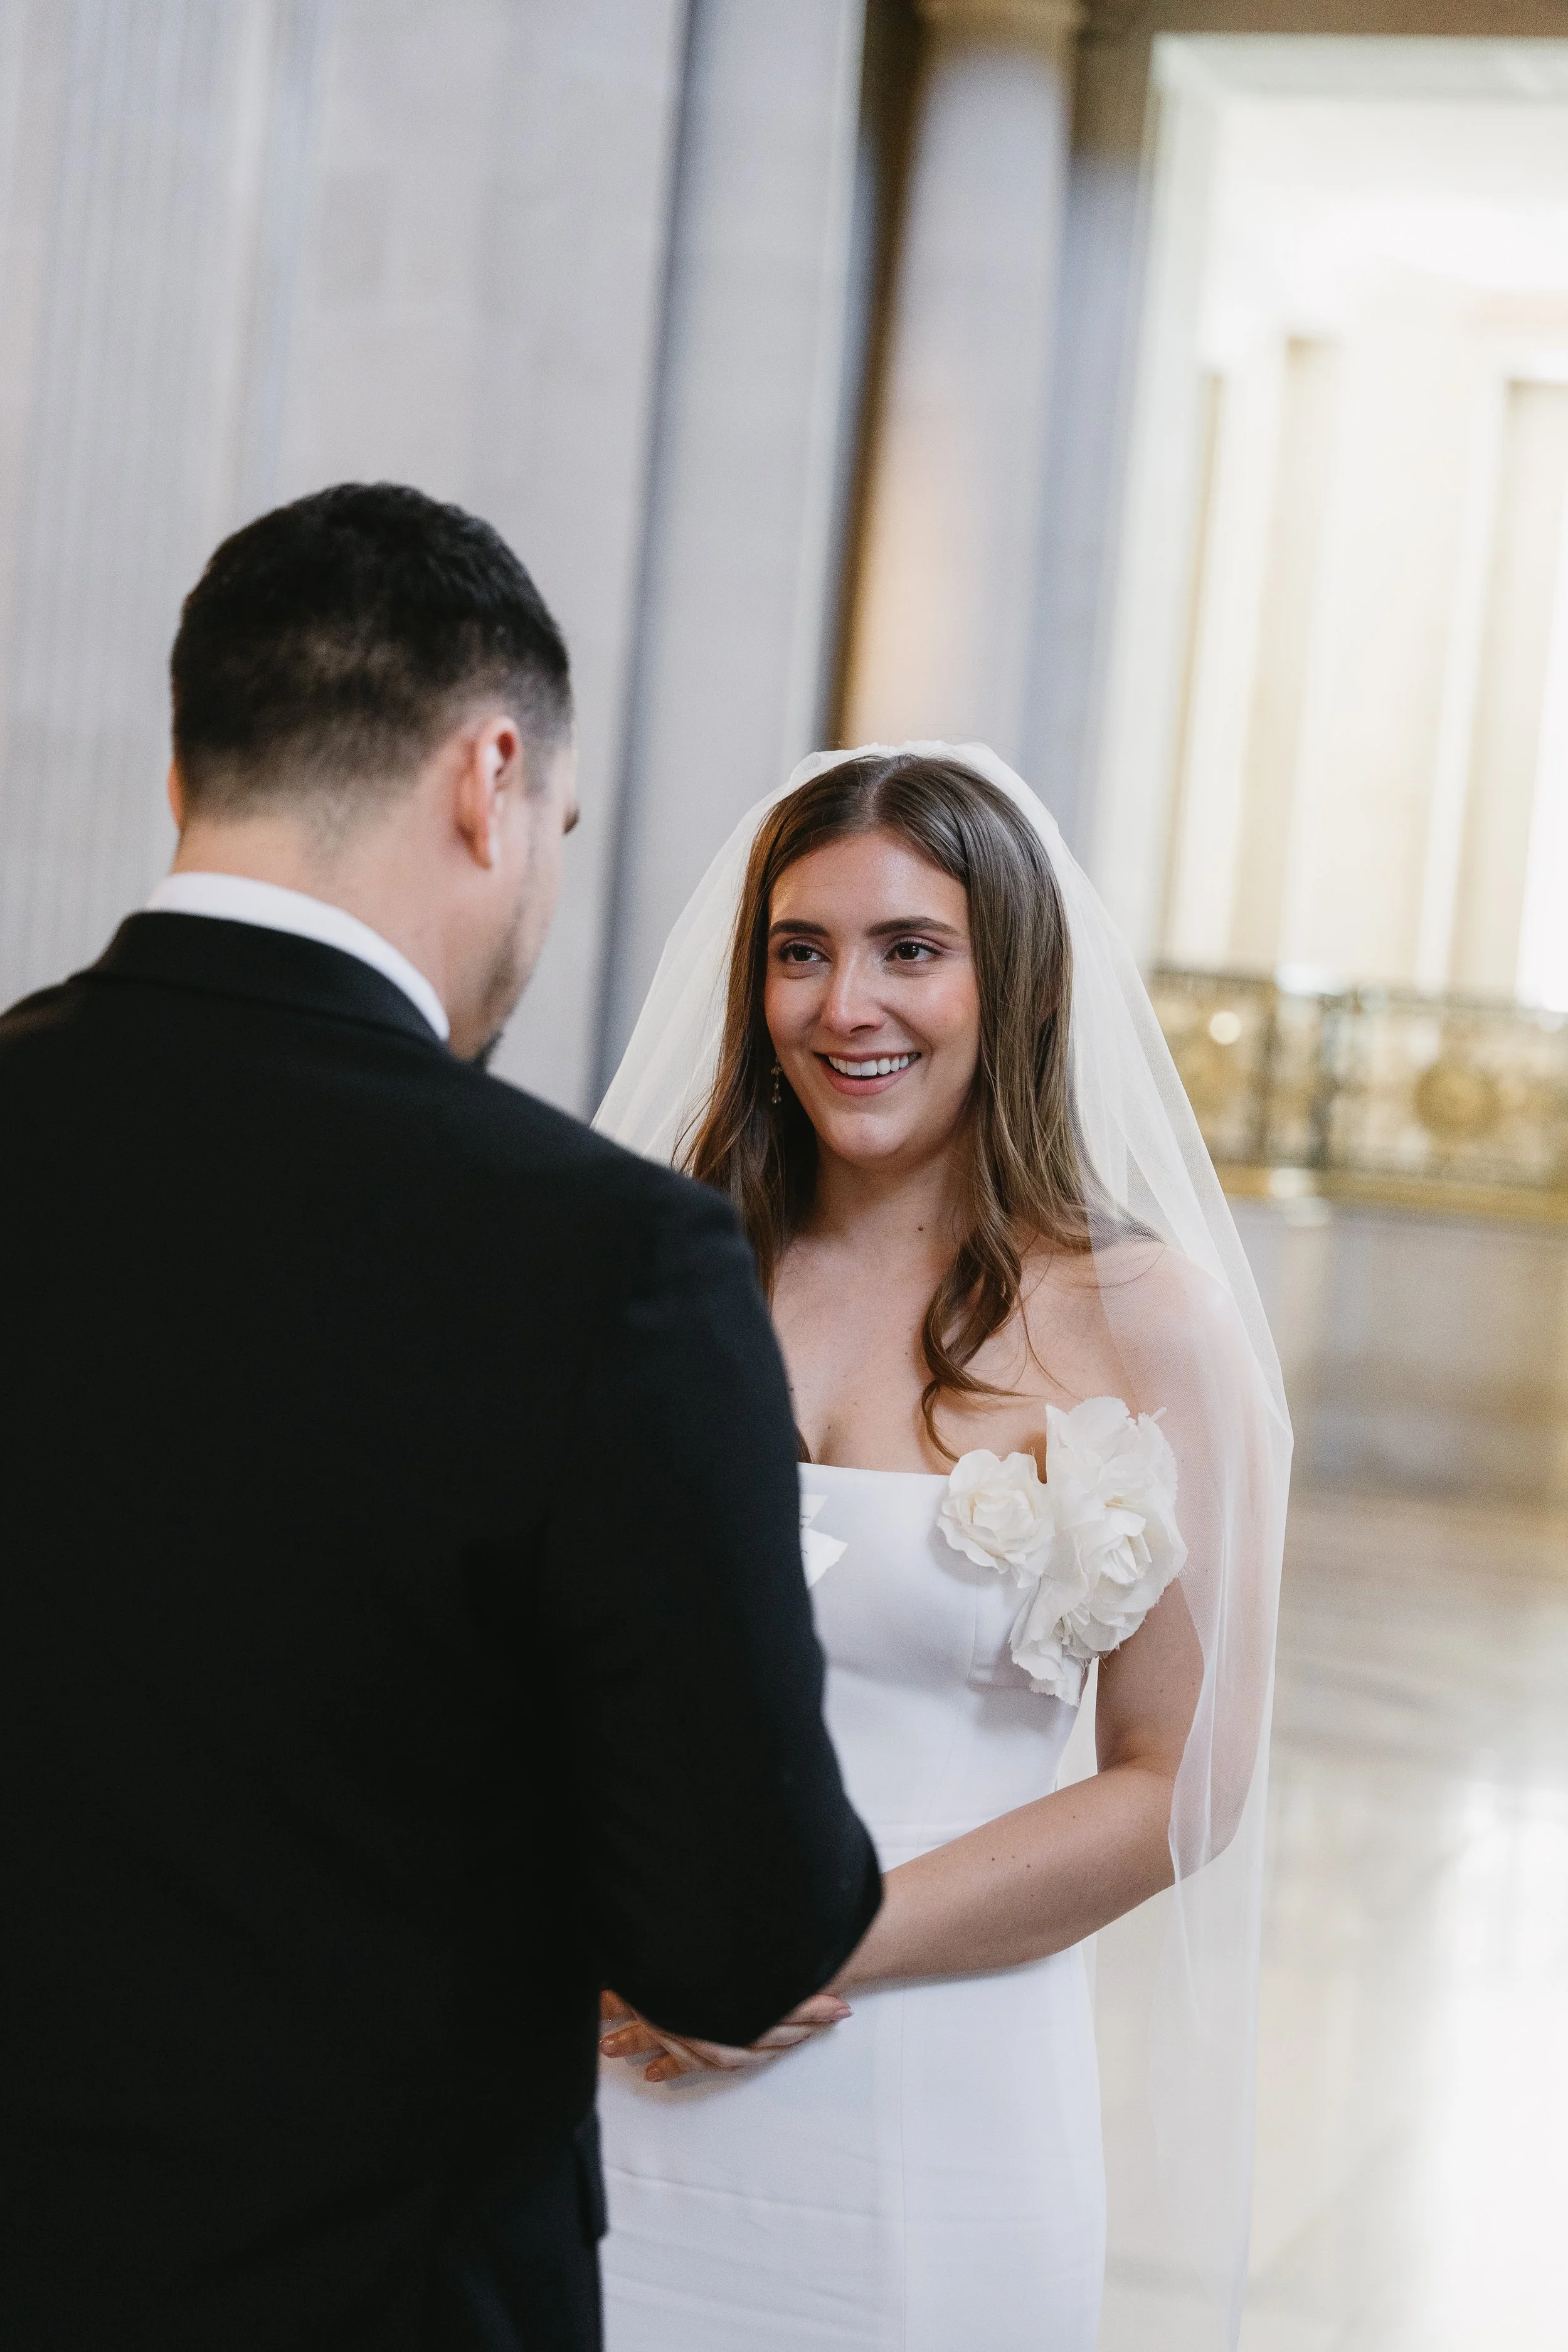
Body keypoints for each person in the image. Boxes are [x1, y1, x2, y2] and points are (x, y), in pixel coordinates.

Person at [0, 485, 881, 2352]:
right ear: (490, 777)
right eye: (554, 824)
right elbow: (740, 1928)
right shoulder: (607, 1261)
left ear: (188, 776)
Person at [593, 746, 1291, 2352]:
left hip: (934, 2093)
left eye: (911, 948)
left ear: (1014, 984)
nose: (848, 1003)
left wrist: (806, 1943)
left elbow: (1177, 1778)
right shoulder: (658, 1266)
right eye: (799, 949)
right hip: (618, 2070)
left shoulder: (1142, 1321)